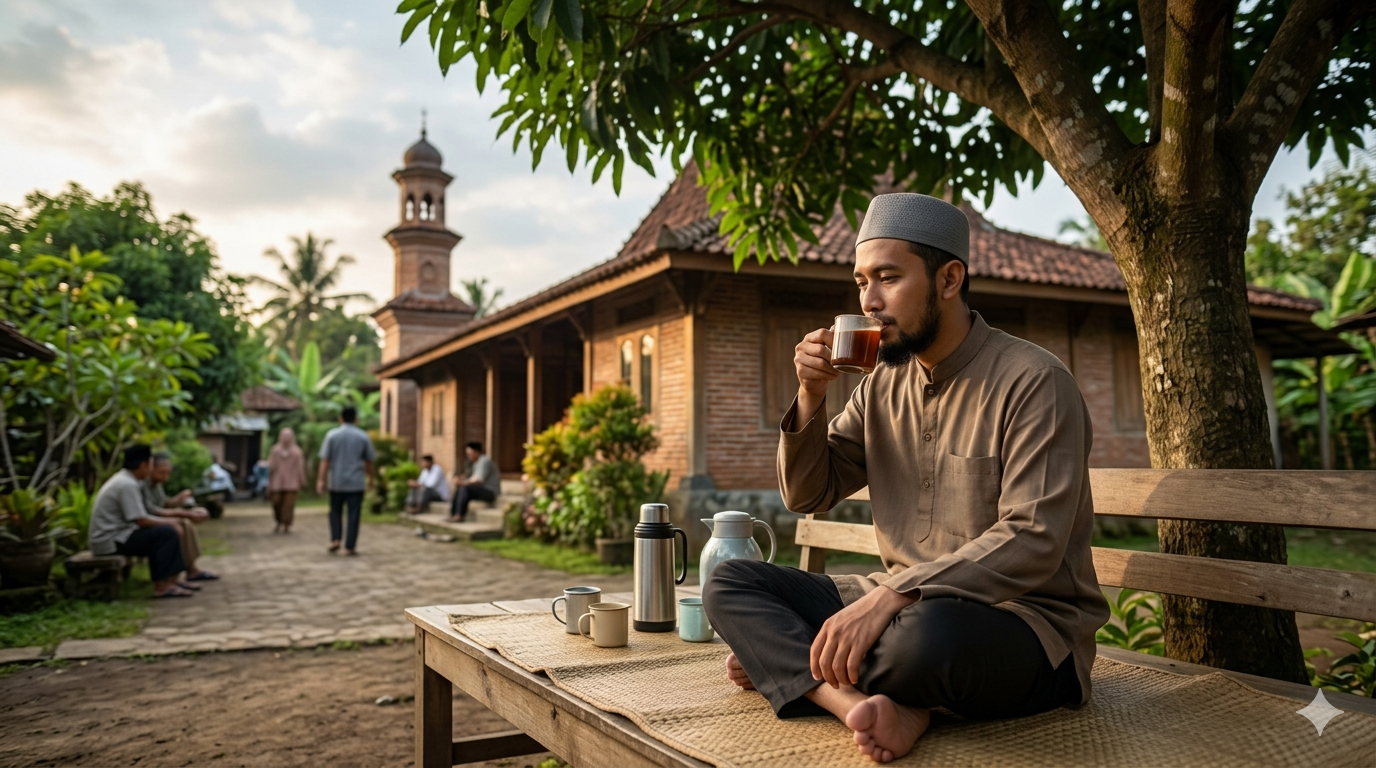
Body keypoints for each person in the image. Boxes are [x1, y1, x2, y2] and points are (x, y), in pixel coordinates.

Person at [701, 193, 1109, 763]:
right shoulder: (879, 386)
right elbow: (807, 493)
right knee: (730, 583)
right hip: (895, 608)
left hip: (1020, 625)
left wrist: (885, 598)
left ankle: (801, 670)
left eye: (888, 279)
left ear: (948, 278)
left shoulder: (1035, 381)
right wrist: (811, 396)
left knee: (925, 642)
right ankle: (852, 703)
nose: (869, 303)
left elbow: (1033, 539)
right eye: (861, 283)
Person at [88, 444, 192, 598]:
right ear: (143, 465)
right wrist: (171, 522)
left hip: (117, 536)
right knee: (166, 533)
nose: (150, 470)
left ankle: (171, 581)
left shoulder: (127, 480)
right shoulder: (126, 484)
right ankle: (163, 586)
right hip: (109, 540)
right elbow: (141, 520)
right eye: (150, 464)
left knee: (164, 531)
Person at [141, 452, 219, 584]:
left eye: (168, 473)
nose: (165, 476)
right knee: (179, 524)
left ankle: (191, 568)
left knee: (184, 523)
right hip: (144, 522)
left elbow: (164, 504)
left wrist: (180, 499)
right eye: (162, 472)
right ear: (150, 468)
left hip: (151, 519)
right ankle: (181, 573)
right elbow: (152, 510)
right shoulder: (143, 485)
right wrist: (184, 513)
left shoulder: (157, 485)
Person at [316, 406, 375, 555]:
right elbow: (369, 461)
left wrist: (321, 480)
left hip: (336, 481)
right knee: (354, 514)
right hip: (355, 483)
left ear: (340, 419)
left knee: (335, 512)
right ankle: (350, 546)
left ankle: (336, 539)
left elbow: (325, 460)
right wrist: (371, 479)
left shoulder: (332, 436)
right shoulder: (363, 436)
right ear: (356, 419)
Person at [266, 427, 307, 534]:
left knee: (289, 505)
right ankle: (278, 521)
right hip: (276, 482)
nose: (286, 438)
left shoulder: (297, 452)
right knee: (276, 502)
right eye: (284, 435)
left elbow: (300, 468)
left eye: (288, 436)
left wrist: (302, 481)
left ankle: (286, 524)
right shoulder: (275, 450)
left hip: (292, 483)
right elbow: (271, 466)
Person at [448, 442, 500, 523]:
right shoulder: (475, 463)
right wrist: (460, 480)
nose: (468, 456)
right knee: (460, 489)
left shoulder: (484, 461)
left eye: (470, 454)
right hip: (481, 490)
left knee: (465, 489)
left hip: (490, 491)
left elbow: (477, 480)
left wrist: (463, 482)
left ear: (477, 452)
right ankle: (453, 514)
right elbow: (469, 477)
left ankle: (459, 515)